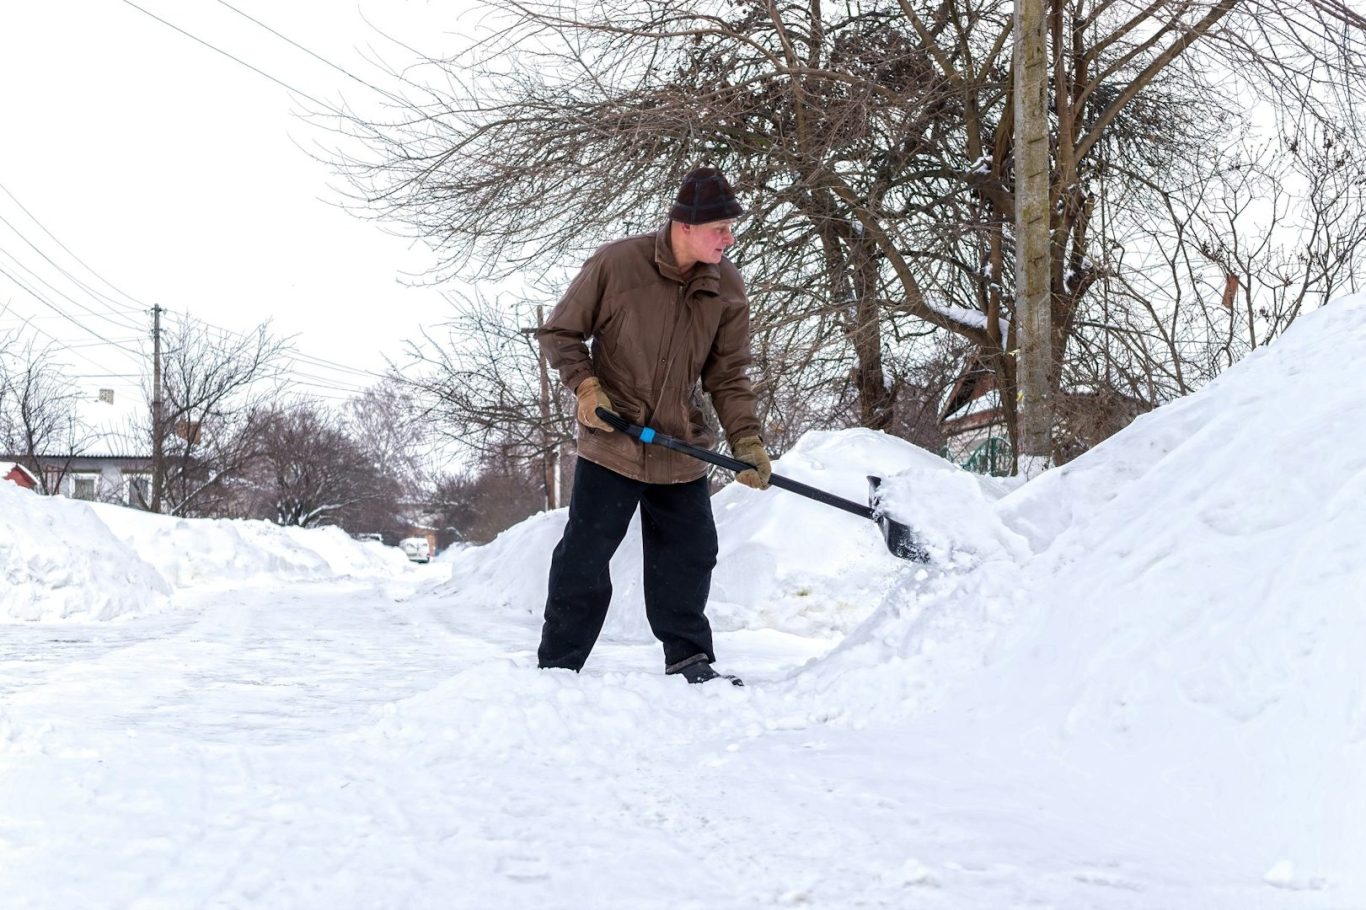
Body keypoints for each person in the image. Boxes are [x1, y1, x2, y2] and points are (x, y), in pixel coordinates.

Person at [536, 167, 772, 685]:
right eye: (720, 229)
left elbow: (728, 375)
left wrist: (746, 439)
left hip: (678, 445)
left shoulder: (727, 287)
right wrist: (587, 388)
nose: (729, 239)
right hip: (613, 441)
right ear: (685, 225)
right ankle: (557, 666)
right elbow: (559, 332)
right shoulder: (618, 264)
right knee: (585, 556)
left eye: (731, 228)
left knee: (691, 555)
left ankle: (689, 660)